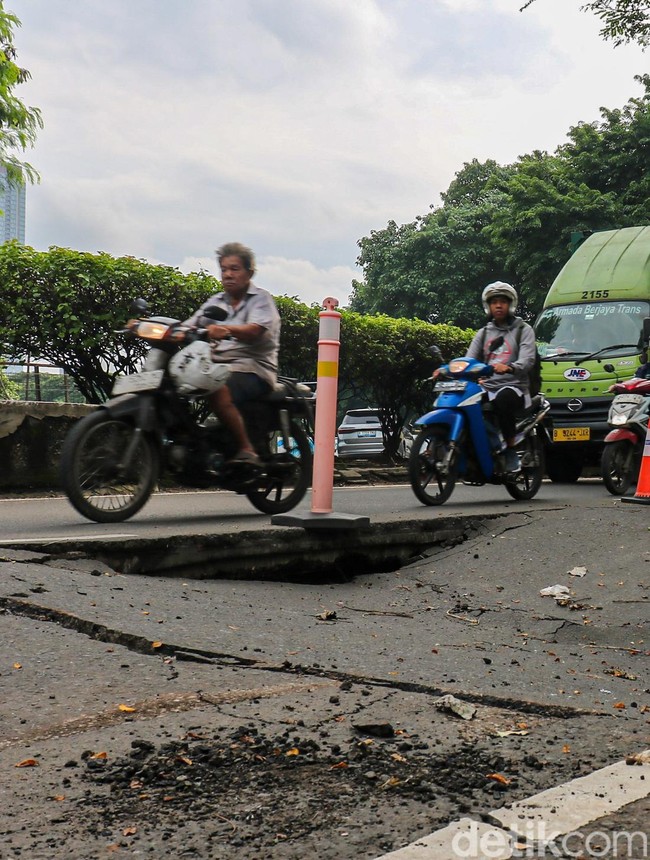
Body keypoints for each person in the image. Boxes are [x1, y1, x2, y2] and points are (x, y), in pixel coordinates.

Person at [184, 242, 281, 465]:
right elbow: (190, 324)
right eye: (224, 269)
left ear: (249, 272)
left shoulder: (261, 299)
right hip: (217, 366)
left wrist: (227, 329)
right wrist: (147, 326)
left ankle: (247, 449)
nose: (228, 274)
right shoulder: (216, 301)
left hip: (253, 368)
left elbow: (255, 330)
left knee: (217, 386)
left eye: (234, 269)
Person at [465, 282, 537, 473]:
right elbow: (469, 359)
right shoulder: (484, 332)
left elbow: (528, 359)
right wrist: (450, 369)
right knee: (465, 403)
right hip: (488, 387)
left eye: (502, 302)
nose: (498, 306)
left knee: (503, 400)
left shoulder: (523, 330)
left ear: (510, 304)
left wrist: (510, 367)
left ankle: (510, 450)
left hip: (515, 386)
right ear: (488, 306)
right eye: (494, 302)